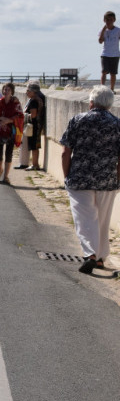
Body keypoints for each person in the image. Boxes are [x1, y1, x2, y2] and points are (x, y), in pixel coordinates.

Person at [60, 86, 120, 274]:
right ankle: (101, 258)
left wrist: (67, 175)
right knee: (103, 219)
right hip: (107, 179)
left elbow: (66, 151)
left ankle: (90, 255)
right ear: (109, 104)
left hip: (80, 178)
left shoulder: (78, 120)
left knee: (84, 218)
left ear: (91, 102)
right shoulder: (117, 124)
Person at [0, 83, 23, 184]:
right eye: (5, 89)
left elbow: (20, 116)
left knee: (9, 153)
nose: (6, 91)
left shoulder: (16, 103)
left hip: (11, 131)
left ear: (12, 92)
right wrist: (0, 118)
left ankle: (6, 176)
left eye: (8, 90)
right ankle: (0, 169)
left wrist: (9, 120)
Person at [23, 81, 46, 171]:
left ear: (33, 91)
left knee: (33, 146)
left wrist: (24, 115)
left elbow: (33, 114)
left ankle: (35, 164)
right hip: (38, 124)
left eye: (28, 91)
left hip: (33, 125)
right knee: (35, 145)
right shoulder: (41, 98)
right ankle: (35, 164)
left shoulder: (33, 101)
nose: (27, 92)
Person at [99, 11, 119, 92]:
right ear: (104, 20)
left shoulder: (118, 30)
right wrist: (104, 30)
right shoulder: (103, 30)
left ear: (114, 20)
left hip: (115, 54)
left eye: (110, 19)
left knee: (113, 73)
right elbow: (100, 41)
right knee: (104, 71)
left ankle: (112, 89)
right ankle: (102, 88)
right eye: (107, 20)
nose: (109, 21)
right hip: (105, 53)